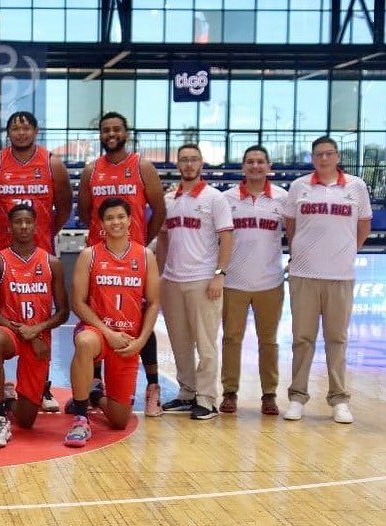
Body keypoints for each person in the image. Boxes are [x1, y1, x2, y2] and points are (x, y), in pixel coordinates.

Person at [0, 111, 72, 412]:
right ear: (8, 133)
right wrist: (1, 235)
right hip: (5, 254)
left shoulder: (52, 164)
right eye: (15, 128)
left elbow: (64, 207)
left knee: (41, 318)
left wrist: (46, 232)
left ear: (35, 130)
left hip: (40, 251)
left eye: (26, 127)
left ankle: (42, 386)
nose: (21, 132)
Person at [77, 111, 167, 417]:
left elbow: (159, 210)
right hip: (101, 257)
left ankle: (153, 386)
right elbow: (86, 211)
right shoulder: (91, 171)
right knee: (98, 317)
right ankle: (95, 384)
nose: (111, 134)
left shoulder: (142, 167)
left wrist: (142, 243)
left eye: (117, 129)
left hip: (133, 258)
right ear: (100, 135)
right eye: (106, 130)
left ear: (126, 133)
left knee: (140, 318)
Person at [282, 137, 372, 424]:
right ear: (313, 158)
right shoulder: (299, 187)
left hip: (340, 275)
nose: (324, 158)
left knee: (337, 339)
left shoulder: (356, 186)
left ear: (337, 156)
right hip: (304, 275)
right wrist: (301, 252)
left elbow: (364, 225)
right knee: (302, 339)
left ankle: (339, 399)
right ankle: (297, 397)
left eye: (329, 153)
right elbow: (291, 225)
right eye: (319, 154)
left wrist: (346, 252)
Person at [65, 197, 160, 447]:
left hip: (128, 339)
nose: (115, 222)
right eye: (109, 218)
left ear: (130, 221)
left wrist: (140, 341)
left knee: (119, 420)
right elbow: (78, 303)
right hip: (98, 331)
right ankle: (80, 418)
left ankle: (93, 395)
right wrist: (107, 333)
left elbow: (153, 303)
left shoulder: (146, 256)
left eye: (120, 217)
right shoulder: (89, 255)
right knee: (84, 342)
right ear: (101, 223)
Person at [157, 143, 233, 420]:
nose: (189, 164)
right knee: (179, 342)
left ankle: (207, 398)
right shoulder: (169, 200)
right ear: (177, 165)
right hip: (172, 280)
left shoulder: (215, 198)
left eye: (193, 160)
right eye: (184, 160)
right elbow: (163, 238)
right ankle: (187, 393)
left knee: (206, 344)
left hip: (203, 279)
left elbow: (227, 237)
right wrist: (161, 275)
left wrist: (219, 274)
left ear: (201, 164)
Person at [0, 203, 68, 448]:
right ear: (9, 227)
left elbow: (64, 312)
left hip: (38, 337)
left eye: (28, 222)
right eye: (18, 222)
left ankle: (8, 398)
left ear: (36, 226)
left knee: (26, 420)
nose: (23, 226)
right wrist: (26, 332)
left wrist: (38, 330)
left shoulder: (52, 263)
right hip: (10, 331)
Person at [219, 145, 287, 416]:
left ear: (268, 166)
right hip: (233, 282)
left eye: (260, 161)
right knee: (231, 339)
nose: (255, 166)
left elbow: (297, 232)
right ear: (243, 167)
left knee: (268, 341)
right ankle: (229, 392)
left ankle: (269, 394)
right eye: (250, 161)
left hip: (270, 282)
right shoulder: (226, 198)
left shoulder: (282, 198)